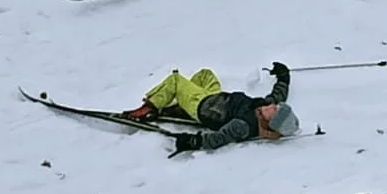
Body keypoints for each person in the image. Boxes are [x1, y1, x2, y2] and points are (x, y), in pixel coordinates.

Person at [126, 61, 298, 152]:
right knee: (205, 74)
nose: (274, 106)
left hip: (202, 107)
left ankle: (150, 107)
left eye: (275, 111)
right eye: (276, 107)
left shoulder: (244, 126)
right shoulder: (265, 107)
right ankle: (180, 104)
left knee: (176, 80)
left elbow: (218, 138)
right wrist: (283, 76)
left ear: (270, 123)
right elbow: (278, 94)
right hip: (214, 97)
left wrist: (193, 141)